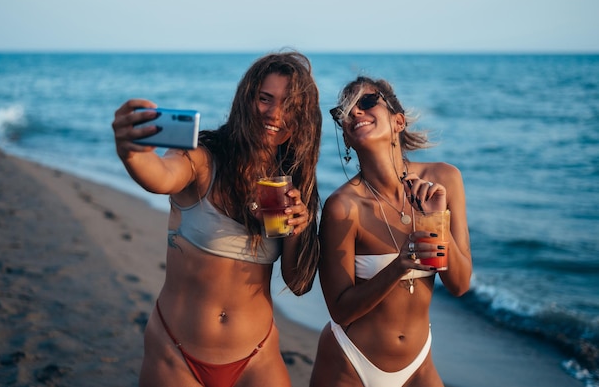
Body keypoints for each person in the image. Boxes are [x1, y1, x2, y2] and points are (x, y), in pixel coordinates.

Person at [112, 51, 322, 387]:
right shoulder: (201, 157)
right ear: (245, 99)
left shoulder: (289, 184)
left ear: (303, 120)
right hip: (176, 353)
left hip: (258, 357)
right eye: (264, 99)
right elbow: (161, 177)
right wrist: (131, 151)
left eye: (290, 106)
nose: (275, 114)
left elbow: (296, 282)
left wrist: (299, 226)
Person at [309, 76, 472, 387]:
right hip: (349, 364)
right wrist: (400, 264)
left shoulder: (445, 179)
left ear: (398, 121)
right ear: (346, 137)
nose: (355, 112)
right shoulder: (343, 207)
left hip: (419, 366)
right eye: (345, 111)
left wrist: (436, 222)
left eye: (367, 102)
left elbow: (460, 284)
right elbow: (341, 310)